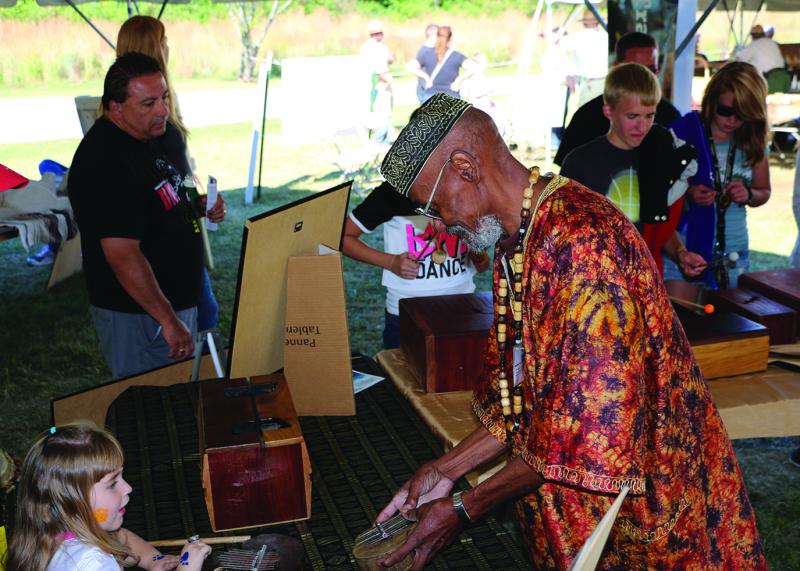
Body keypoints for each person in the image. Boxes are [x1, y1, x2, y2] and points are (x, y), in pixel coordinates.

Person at [374, 93, 766, 569]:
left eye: (434, 207)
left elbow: (582, 436)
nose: (442, 223)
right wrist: (445, 470)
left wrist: (464, 507)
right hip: (579, 518)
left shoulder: (583, 245)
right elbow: (524, 400)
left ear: (464, 167)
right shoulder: (519, 234)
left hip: (642, 518)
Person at [68, 53, 225, 379]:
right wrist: (167, 319)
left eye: (164, 98)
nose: (163, 110)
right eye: (148, 103)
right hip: (139, 315)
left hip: (177, 301)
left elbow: (172, 194)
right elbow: (122, 255)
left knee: (183, 398)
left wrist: (199, 206)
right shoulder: (104, 161)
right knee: (148, 406)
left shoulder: (158, 136)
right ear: (115, 108)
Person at [116, 15, 220, 333]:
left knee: (205, 315)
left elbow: (180, 175)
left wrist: (198, 199)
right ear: (156, 48)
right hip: (161, 249)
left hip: (181, 238)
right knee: (196, 323)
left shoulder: (163, 106)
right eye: (164, 41)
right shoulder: (136, 120)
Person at [560, 63, 705, 277]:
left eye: (650, 116)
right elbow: (564, 234)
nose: (642, 127)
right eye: (632, 116)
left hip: (645, 283)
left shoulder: (659, 153)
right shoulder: (579, 162)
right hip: (593, 284)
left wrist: (680, 253)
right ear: (608, 110)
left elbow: (658, 226)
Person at [5, 423, 210, 571]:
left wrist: (152, 558)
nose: (128, 488)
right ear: (72, 501)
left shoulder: (50, 530)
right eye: (112, 483)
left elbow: (120, 536)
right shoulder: (93, 564)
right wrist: (187, 567)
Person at [342, 182, 488, 349]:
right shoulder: (393, 191)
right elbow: (345, 238)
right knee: (404, 373)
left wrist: (479, 257)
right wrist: (390, 262)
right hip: (407, 314)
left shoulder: (467, 190)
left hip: (464, 309)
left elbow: (481, 264)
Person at [664, 61, 771, 288]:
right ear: (712, 101)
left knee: (732, 321)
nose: (732, 120)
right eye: (726, 111)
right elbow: (658, 201)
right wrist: (689, 193)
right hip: (684, 254)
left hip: (734, 255)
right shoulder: (682, 135)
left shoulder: (754, 143)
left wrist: (749, 194)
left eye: (742, 115)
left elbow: (764, 191)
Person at [554, 32, 681, 166]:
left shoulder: (670, 115)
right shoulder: (587, 116)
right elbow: (565, 178)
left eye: (651, 69)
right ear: (617, 67)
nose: (644, 76)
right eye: (634, 70)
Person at [407, 26, 471, 102]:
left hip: (431, 97)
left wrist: (426, 78)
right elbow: (473, 68)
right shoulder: (456, 55)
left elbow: (410, 67)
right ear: (450, 39)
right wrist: (458, 81)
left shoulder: (427, 54)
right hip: (451, 97)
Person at [560, 9, 608, 111]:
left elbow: (561, 45)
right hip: (606, 82)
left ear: (584, 23)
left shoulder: (579, 36)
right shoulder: (605, 35)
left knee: (585, 115)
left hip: (590, 83)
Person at [360, 20, 394, 144]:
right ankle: (380, 144)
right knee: (380, 117)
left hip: (385, 86)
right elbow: (377, 71)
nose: (378, 35)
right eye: (375, 33)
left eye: (380, 33)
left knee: (387, 114)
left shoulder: (383, 46)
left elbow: (386, 62)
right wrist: (387, 79)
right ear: (371, 34)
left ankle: (384, 141)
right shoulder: (369, 47)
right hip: (376, 87)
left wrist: (391, 59)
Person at [409, 24, 438, 104]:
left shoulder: (434, 49)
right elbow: (411, 67)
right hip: (426, 92)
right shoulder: (424, 51)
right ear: (433, 36)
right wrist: (427, 78)